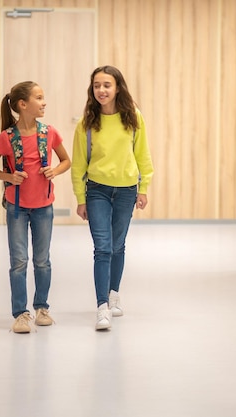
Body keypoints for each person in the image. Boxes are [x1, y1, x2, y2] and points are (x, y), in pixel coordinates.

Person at [71, 65, 154, 331]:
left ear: (118, 87)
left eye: (106, 85)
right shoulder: (86, 123)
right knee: (103, 248)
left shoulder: (133, 118)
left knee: (118, 245)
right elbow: (78, 165)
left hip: (127, 190)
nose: (101, 90)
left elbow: (143, 155)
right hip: (97, 191)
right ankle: (102, 306)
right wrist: (80, 198)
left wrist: (144, 188)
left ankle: (114, 293)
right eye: (97, 85)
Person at [0, 81, 70, 334]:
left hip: (44, 207)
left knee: (42, 261)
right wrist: (9, 178)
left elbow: (66, 160)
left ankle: (42, 307)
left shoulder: (49, 132)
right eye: (39, 98)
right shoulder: (7, 137)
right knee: (19, 261)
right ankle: (20, 314)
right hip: (17, 208)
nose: (44, 102)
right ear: (23, 105)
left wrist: (54, 170)